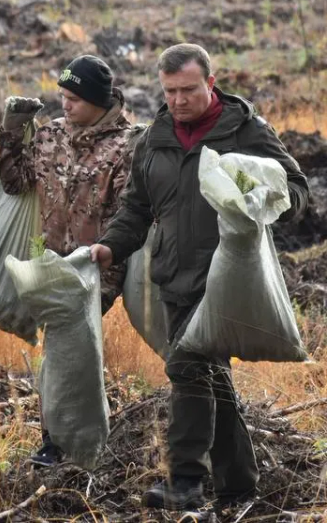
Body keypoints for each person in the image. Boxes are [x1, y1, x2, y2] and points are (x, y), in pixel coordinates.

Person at [90, 43, 309, 511]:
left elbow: (296, 190)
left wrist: (258, 194)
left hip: (226, 276)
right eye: (169, 91)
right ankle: (238, 485)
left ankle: (185, 479)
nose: (178, 100)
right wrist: (111, 247)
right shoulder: (154, 137)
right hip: (175, 275)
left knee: (187, 365)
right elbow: (136, 207)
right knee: (210, 376)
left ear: (211, 83)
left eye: (188, 90)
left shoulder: (246, 131)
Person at [0, 54, 138, 468]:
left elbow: (128, 210)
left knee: (66, 345)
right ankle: (64, 440)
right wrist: (13, 129)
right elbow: (15, 182)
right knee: (60, 347)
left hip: (96, 266)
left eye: (74, 98)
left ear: (98, 100)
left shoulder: (127, 145)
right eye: (61, 96)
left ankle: (62, 444)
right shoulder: (50, 135)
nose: (65, 105)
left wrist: (108, 259)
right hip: (47, 259)